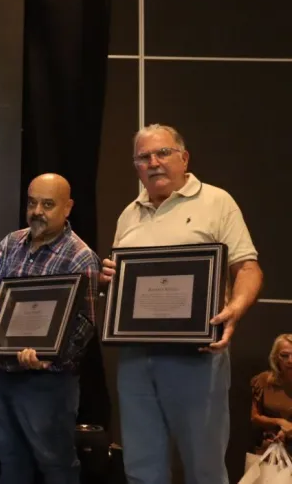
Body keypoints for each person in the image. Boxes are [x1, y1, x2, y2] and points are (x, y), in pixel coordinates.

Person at [99, 124, 263, 484]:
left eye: (163, 153)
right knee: (141, 468)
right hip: (136, 358)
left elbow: (247, 267)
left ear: (183, 157)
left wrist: (235, 309)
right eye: (143, 157)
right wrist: (109, 277)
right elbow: (121, 285)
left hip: (198, 356)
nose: (153, 163)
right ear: (136, 165)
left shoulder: (217, 201)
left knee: (204, 468)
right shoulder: (129, 214)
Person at [0, 173, 100, 484]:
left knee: (56, 466)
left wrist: (49, 356)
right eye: (32, 202)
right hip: (7, 375)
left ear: (67, 208)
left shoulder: (80, 256)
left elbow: (86, 323)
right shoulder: (11, 243)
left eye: (48, 204)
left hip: (49, 384)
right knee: (11, 463)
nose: (37, 210)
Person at [251, 334, 292, 454]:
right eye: (284, 356)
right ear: (275, 357)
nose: (290, 360)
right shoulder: (264, 380)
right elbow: (254, 417)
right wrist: (279, 422)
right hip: (270, 449)